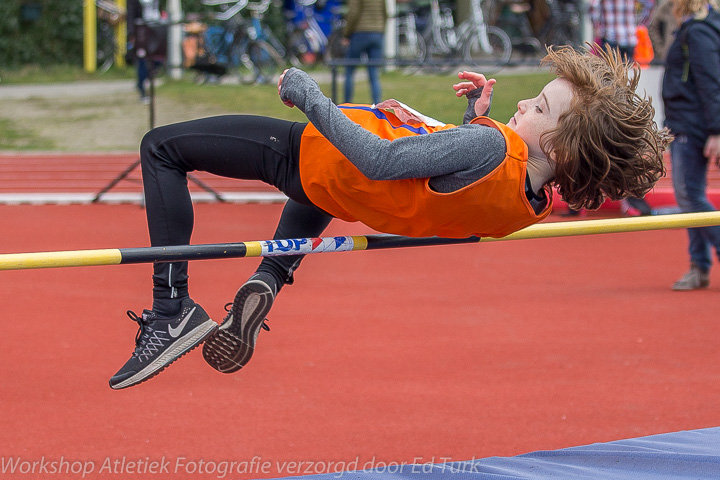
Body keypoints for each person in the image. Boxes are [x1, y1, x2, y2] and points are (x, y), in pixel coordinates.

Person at [109, 46, 670, 389]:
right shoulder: (533, 202)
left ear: (564, 148)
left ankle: (171, 310)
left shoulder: (493, 151)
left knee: (162, 147)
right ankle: (268, 278)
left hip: (318, 156)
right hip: (349, 199)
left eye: (539, 108)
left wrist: (310, 96)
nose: (523, 106)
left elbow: (380, 161)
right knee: (325, 194)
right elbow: (451, 182)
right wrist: (476, 123)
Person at [661, 0, 720, 290]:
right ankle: (698, 265)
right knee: (691, 197)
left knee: (689, 197)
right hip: (687, 121)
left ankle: (701, 263)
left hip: (691, 124)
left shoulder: (697, 32)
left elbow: (711, 80)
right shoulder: (695, 28)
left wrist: (716, 129)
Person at [342, 0, 387, 104]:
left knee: (349, 70)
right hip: (377, 33)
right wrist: (381, 30)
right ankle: (377, 105)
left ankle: (346, 104)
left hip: (359, 33)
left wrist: (346, 34)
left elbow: (353, 13)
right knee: (373, 72)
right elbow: (385, 13)